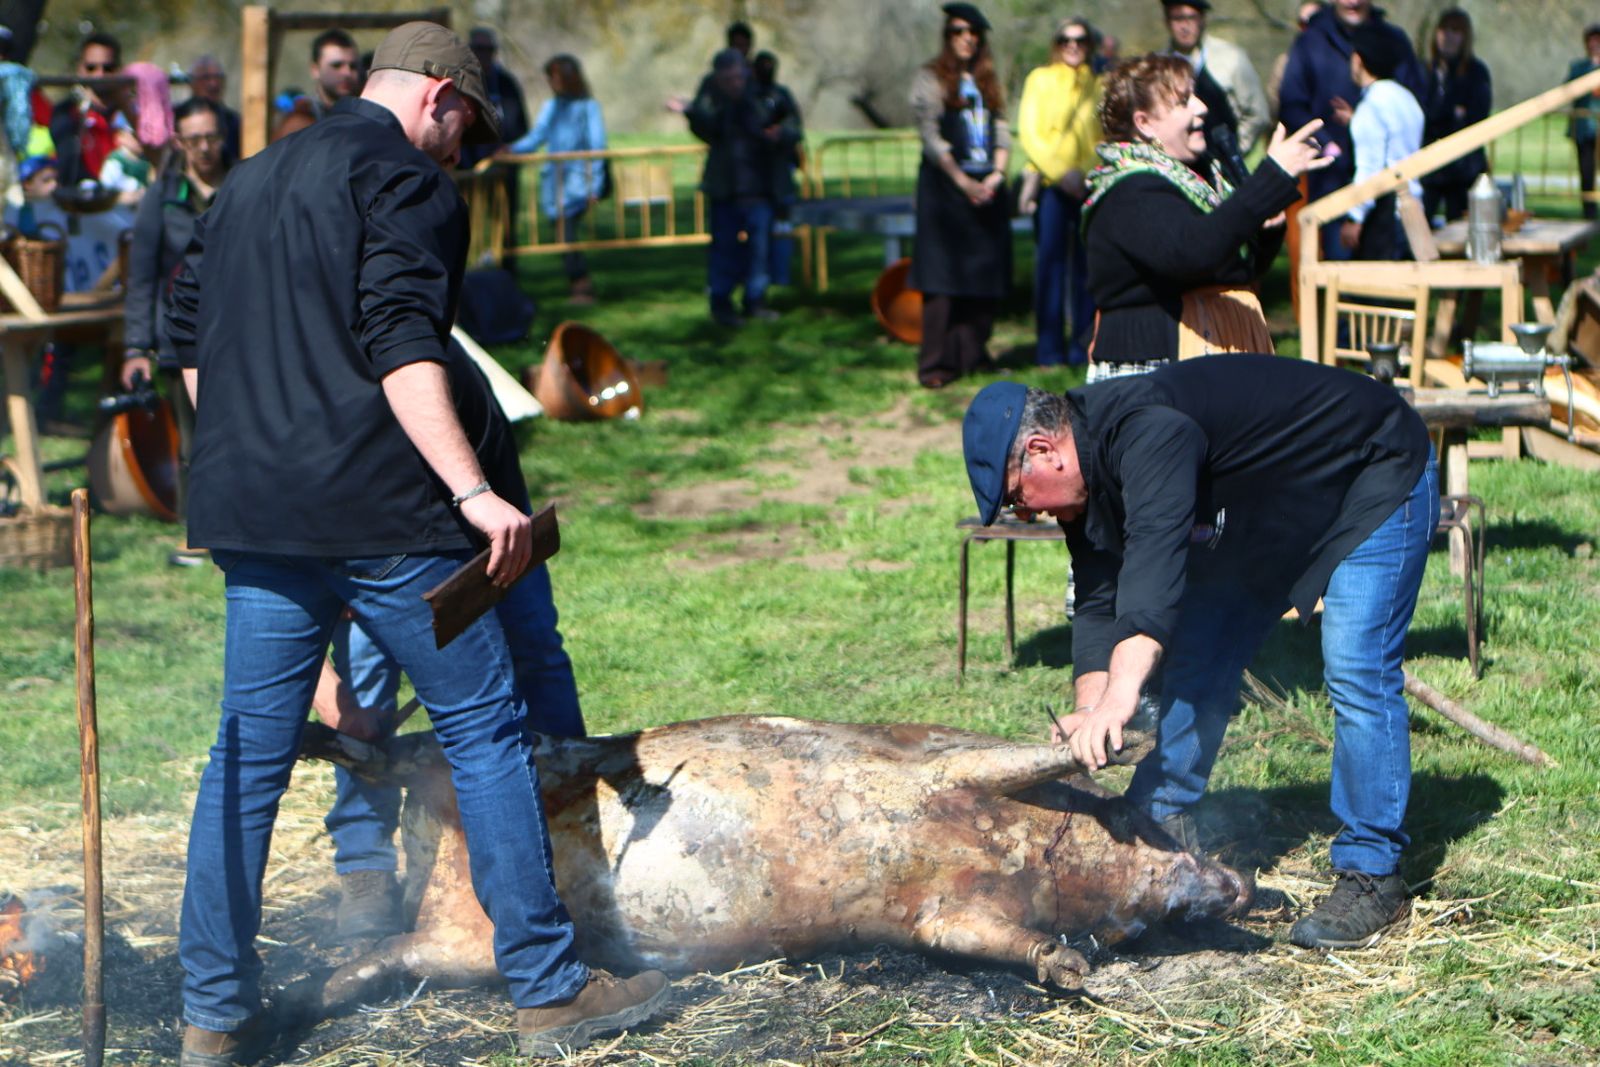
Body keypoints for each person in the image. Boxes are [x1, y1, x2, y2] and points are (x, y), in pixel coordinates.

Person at [164, 23, 669, 1064]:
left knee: (245, 756)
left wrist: (251, 447)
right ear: (438, 94)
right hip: (385, 514)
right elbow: (404, 341)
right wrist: (475, 491)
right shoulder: (408, 180)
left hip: (256, 514)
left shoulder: (247, 180)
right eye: (465, 127)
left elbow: (185, 337)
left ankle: (212, 1012)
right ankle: (549, 987)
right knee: (484, 728)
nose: (462, 150)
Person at [962, 354, 1437, 950]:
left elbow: (1154, 582)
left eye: (1017, 497)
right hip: (1276, 509)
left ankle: (1373, 875)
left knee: (1355, 666)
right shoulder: (1087, 479)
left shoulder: (1145, 433)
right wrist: (1088, 705)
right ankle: (1163, 826)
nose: (1026, 513)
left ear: (1042, 450)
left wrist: (1120, 698)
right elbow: (1099, 601)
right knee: (1204, 646)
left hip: (1370, 469)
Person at [1080, 53, 1329, 379]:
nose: (1202, 108)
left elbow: (1234, 269)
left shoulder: (1200, 180)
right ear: (1144, 123)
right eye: (1183, 102)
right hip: (1152, 373)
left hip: (1206, 358)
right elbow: (1194, 254)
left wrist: (1266, 230)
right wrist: (1271, 178)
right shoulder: (1130, 190)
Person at [120, 97, 231, 563]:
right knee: (194, 439)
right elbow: (141, 278)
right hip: (182, 336)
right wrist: (136, 347)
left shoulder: (242, 181)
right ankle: (200, 531)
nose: (205, 147)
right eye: (195, 138)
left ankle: (248, 527)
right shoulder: (161, 196)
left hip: (237, 332)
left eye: (212, 136)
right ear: (179, 142)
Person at [908, 2, 1011, 389]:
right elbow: (931, 136)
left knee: (983, 276)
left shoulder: (987, 79)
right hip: (945, 189)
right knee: (942, 280)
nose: (966, 39)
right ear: (947, 36)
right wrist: (961, 180)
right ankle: (936, 364)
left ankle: (974, 355)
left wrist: (998, 173)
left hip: (987, 186)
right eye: (958, 32)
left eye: (973, 33)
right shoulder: (931, 77)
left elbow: (1001, 129)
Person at [1278, 0, 1425, 260]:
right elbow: (1291, 105)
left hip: (1383, 201)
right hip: (1333, 184)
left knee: (1369, 278)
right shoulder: (1310, 42)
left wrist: (1356, 216)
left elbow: (1375, 155)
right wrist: (1327, 145)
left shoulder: (1394, 40)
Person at [1016, 16, 1101, 367]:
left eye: (1080, 40)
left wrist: (1083, 173)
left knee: (1086, 270)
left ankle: (1082, 348)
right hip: (1052, 187)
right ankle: (1049, 350)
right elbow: (1030, 133)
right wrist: (1060, 172)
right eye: (1066, 39)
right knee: (1049, 267)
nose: (1073, 46)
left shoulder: (1098, 83)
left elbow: (1102, 137)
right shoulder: (1040, 79)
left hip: (1087, 186)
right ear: (1056, 43)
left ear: (1089, 45)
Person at [686, 48, 792, 326]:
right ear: (718, 79)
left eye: (738, 77)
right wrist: (693, 111)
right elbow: (704, 127)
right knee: (724, 250)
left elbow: (790, 126)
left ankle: (755, 300)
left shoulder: (765, 96)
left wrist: (780, 133)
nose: (735, 84)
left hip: (760, 189)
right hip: (726, 190)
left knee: (760, 251)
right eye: (728, 79)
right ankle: (721, 303)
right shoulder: (712, 100)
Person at [504, 55, 607, 305]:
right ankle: (579, 285)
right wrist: (510, 149)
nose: (553, 82)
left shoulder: (588, 107)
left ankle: (582, 287)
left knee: (566, 233)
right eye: (551, 77)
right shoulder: (552, 107)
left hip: (577, 184)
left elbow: (597, 146)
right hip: (555, 185)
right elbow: (537, 136)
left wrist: (594, 185)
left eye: (557, 77)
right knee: (563, 234)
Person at [1338, 25, 1424, 260]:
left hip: (1384, 219)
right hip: (1413, 211)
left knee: (1372, 284)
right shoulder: (1406, 98)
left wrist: (1355, 217)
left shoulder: (1371, 106)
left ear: (1358, 60)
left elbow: (1370, 167)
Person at [1162, 0, 1270, 157]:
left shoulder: (1231, 58)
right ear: (1167, 22)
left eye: (1191, 18)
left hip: (1223, 156)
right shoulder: (1158, 66)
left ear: (1202, 20)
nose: (1185, 26)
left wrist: (1234, 150)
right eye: (1178, 19)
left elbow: (1257, 113)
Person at [1417, 9, 1488, 224]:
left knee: (1460, 225)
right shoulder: (1425, 71)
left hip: (1462, 166)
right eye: (1444, 30)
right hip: (1429, 162)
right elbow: (1422, 114)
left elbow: (1476, 116)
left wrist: (1448, 114)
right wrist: (1453, 113)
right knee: (1421, 222)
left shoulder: (1475, 72)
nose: (1448, 36)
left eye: (1455, 31)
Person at [751, 50, 803, 289]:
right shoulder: (747, 97)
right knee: (758, 233)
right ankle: (757, 281)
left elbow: (795, 127)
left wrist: (781, 133)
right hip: (754, 179)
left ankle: (780, 279)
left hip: (781, 178)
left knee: (782, 228)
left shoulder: (782, 96)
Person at [50, 31, 127, 186]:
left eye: (108, 68)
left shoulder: (132, 112)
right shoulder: (66, 113)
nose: (100, 74)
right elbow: (68, 167)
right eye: (91, 68)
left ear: (119, 69)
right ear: (80, 70)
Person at [271, 29, 360, 141]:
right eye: (336, 65)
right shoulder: (299, 123)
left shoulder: (365, 116)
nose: (347, 73)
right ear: (315, 70)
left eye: (353, 66)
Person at [460, 27, 530, 168]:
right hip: (467, 167)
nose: (484, 54)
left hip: (503, 164)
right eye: (479, 49)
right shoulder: (459, 81)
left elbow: (519, 125)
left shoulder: (506, 83)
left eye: (489, 49)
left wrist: (509, 148)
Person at [1267, 2, 1325, 122]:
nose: (1306, 28)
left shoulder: (1344, 60)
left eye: (1313, 22)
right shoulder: (1285, 62)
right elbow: (1274, 105)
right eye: (1302, 23)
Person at [1568, 24, 1600, 222]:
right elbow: (1568, 89)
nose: (1595, 44)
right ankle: (1589, 214)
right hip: (1585, 129)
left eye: (1598, 40)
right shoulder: (1578, 67)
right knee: (1586, 173)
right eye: (1591, 40)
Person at [186, 56, 242, 164]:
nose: (213, 84)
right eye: (206, 77)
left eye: (218, 77)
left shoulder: (233, 121)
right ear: (192, 83)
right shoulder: (180, 117)